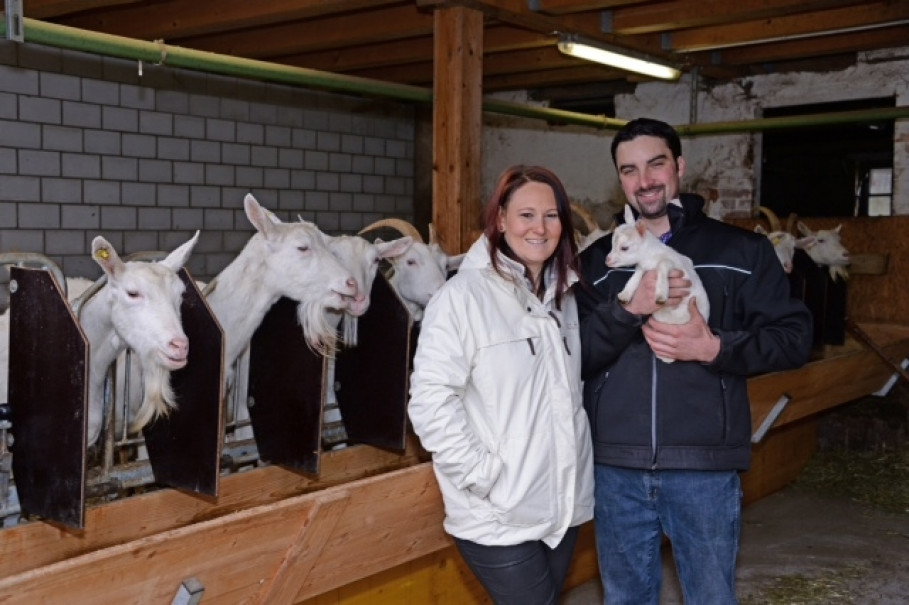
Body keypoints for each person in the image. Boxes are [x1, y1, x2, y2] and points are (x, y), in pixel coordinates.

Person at [576, 118, 813, 604]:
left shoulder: (740, 250)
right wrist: (629, 311)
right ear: (619, 179)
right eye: (629, 170)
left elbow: (794, 338)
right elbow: (572, 354)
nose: (644, 180)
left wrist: (715, 348)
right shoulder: (597, 262)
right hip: (616, 466)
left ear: (679, 166)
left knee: (710, 597)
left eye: (656, 164)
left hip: (703, 466)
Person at [408, 165, 594, 604]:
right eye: (526, 215)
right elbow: (430, 401)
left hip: (561, 506)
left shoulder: (563, 296)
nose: (539, 228)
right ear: (501, 220)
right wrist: (483, 477)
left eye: (551, 216)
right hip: (497, 512)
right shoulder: (461, 298)